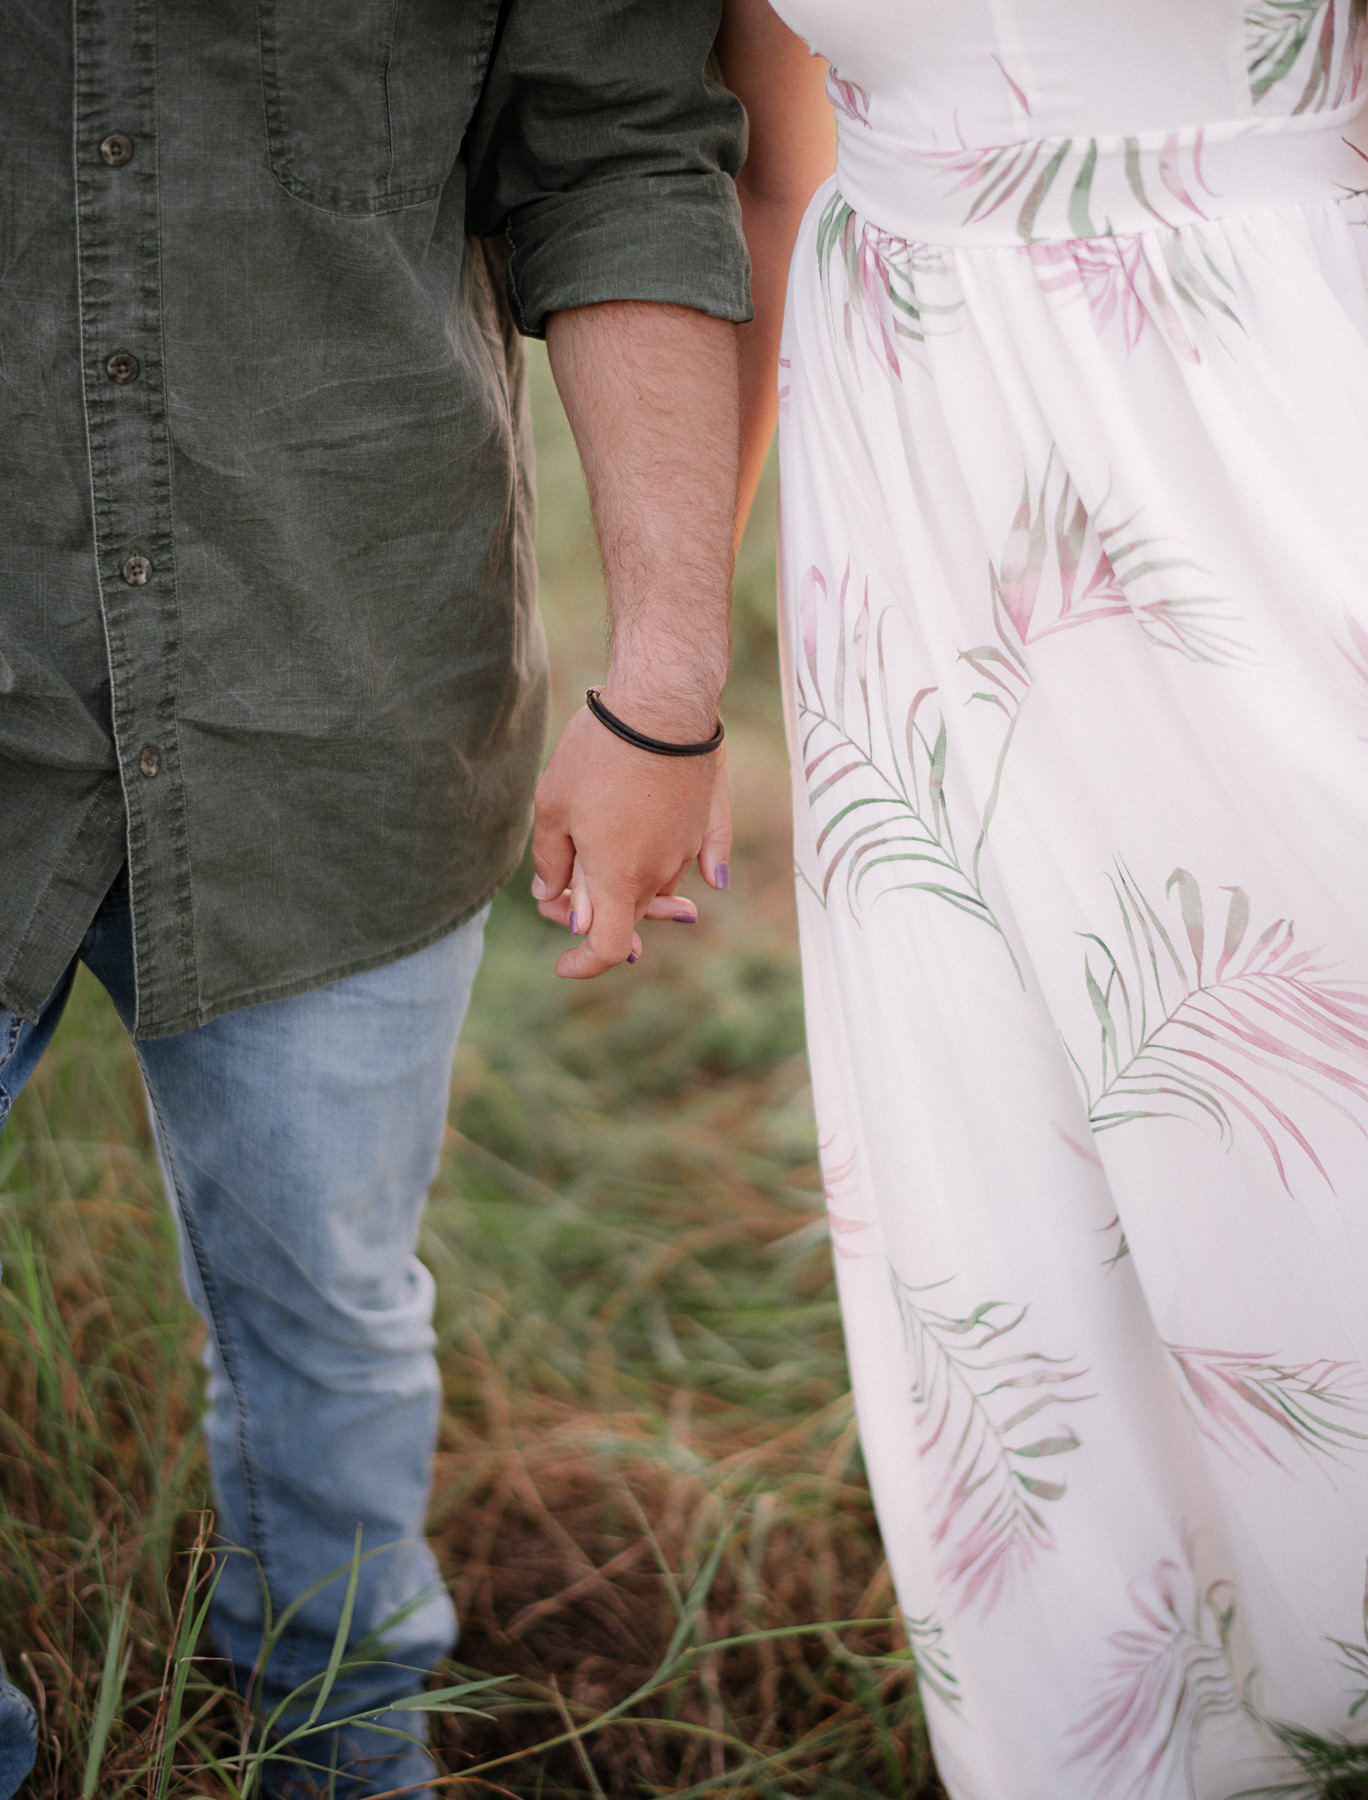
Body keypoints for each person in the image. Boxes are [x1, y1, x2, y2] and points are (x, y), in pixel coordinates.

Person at [0, 6, 760, 1796]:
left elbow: (623, 153)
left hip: (345, 671)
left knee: (326, 1303)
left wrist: (667, 681)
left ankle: (346, 1748)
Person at [701, 1, 1368, 1795]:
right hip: (914, 459)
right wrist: (673, 662)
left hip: (1278, 394)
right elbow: (772, 167)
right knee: (1001, 1143)